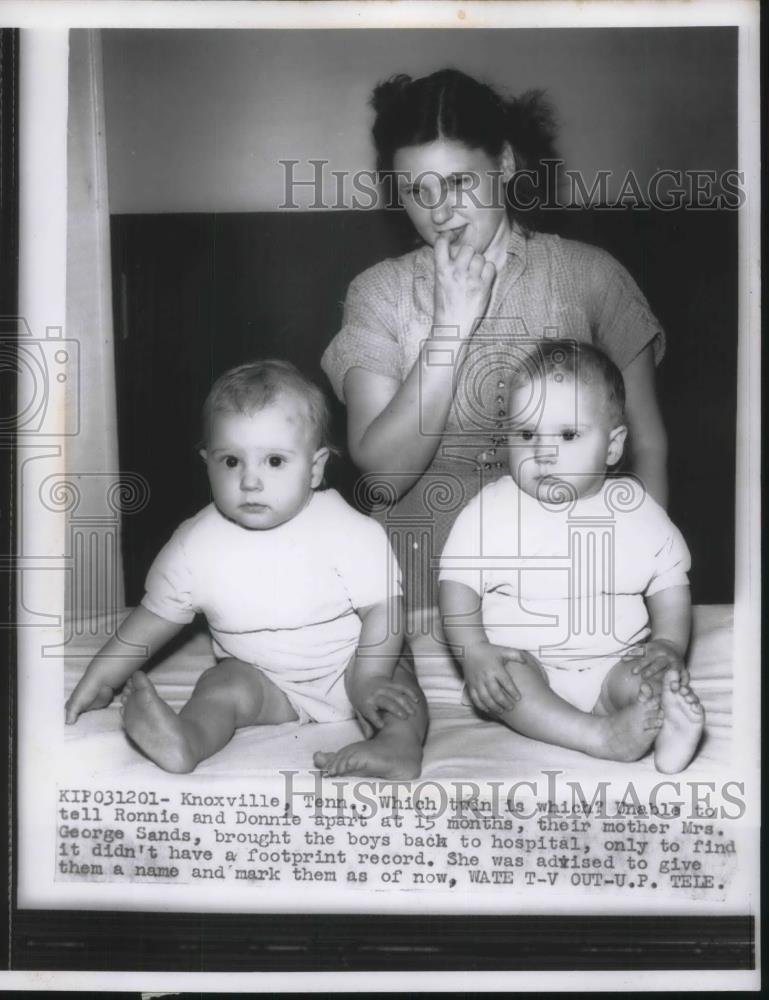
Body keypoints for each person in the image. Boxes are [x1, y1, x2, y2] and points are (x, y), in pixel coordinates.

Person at [321, 69, 669, 702]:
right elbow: (383, 478)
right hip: (418, 585)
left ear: (505, 164)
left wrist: (650, 585)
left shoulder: (591, 276)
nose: (441, 211)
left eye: (459, 182)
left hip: (566, 575)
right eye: (417, 190)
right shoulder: (378, 292)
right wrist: (450, 329)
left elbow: (646, 446)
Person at [65, 360, 427, 778]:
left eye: (274, 461)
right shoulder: (194, 545)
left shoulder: (348, 530)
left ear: (315, 467)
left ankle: (397, 747)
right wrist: (102, 677)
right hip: (267, 683)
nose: (250, 481)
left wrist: (370, 674)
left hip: (354, 664)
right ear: (207, 463)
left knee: (397, 691)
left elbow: (384, 608)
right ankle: (187, 738)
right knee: (221, 686)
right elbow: (152, 618)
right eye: (232, 461)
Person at [439, 341, 704, 773]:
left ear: (613, 446)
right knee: (510, 685)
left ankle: (671, 730)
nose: (542, 452)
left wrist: (668, 643)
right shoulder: (492, 509)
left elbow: (669, 581)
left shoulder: (635, 508)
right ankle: (596, 735)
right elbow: (456, 584)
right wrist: (474, 651)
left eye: (567, 435)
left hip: (614, 661)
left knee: (649, 681)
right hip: (530, 664)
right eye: (526, 435)